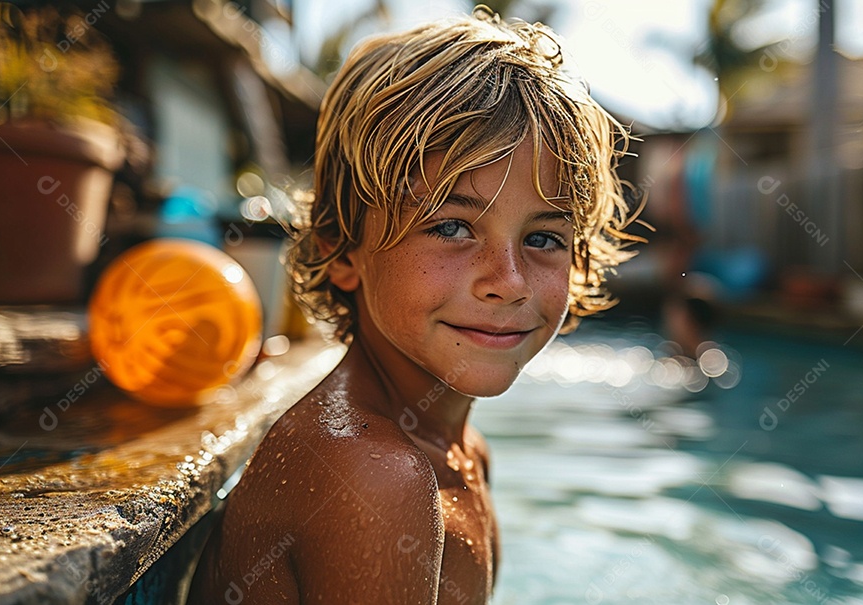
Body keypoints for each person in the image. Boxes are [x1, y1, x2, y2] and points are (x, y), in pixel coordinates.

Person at [187, 6, 639, 604]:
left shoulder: (462, 452)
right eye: (452, 228)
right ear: (342, 248)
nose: (508, 281)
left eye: (543, 239)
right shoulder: (372, 479)